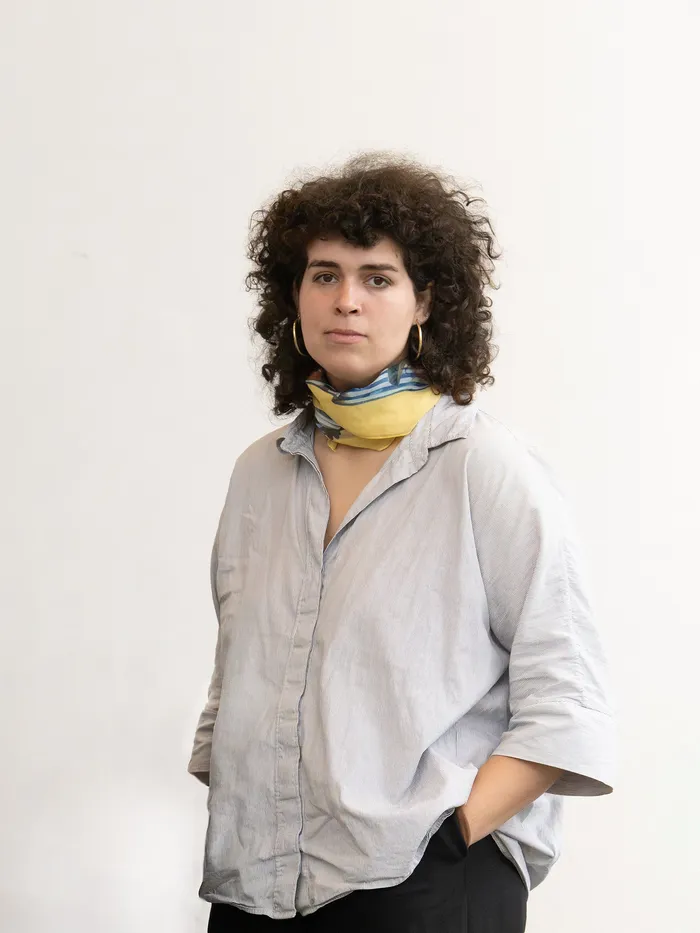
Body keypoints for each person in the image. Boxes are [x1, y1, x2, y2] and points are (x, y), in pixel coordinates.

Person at [188, 153, 615, 932]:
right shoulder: (260, 473)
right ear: (293, 295)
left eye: (377, 278)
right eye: (323, 274)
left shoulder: (483, 469)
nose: (346, 300)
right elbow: (238, 668)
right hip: (256, 883)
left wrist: (449, 837)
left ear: (425, 303)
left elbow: (567, 697)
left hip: (420, 885)